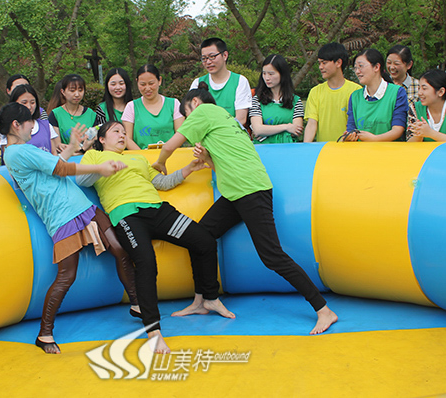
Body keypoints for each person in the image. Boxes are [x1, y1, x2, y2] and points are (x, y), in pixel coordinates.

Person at [153, 86, 337, 335]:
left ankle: (323, 309)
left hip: (251, 191)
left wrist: (160, 162)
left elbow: (170, 145)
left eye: (187, 114)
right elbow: (222, 167)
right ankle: (204, 300)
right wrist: (207, 158)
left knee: (272, 256)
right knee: (200, 237)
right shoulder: (227, 120)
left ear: (194, 102)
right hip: (236, 193)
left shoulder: (204, 111)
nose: (188, 121)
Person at [0, 103, 139, 354]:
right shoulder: (17, 152)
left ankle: (137, 303)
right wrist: (99, 168)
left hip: (82, 207)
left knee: (119, 248)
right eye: (30, 123)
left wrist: (71, 147)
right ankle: (44, 333)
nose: (33, 128)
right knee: (66, 276)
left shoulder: (21, 151)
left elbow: (54, 165)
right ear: (16, 125)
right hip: (62, 216)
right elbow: (60, 169)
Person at [78, 121, 234, 354]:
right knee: (146, 263)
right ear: (102, 139)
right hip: (127, 214)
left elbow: (161, 182)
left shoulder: (138, 159)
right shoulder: (94, 156)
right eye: (115, 131)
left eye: (124, 132)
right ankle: (153, 331)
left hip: (157, 210)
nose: (122, 135)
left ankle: (208, 299)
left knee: (204, 240)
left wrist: (189, 169)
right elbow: (82, 180)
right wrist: (102, 168)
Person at [344, 49, 408, 142]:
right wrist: (349, 136)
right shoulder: (355, 97)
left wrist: (375, 139)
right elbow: (351, 128)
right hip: (362, 150)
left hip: (390, 150)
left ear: (377, 67)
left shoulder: (397, 92)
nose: (357, 71)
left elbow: (398, 130)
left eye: (361, 66)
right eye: (355, 68)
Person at [303, 43, 361, 142]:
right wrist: (306, 146)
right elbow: (312, 124)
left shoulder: (356, 91)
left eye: (324, 63)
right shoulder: (315, 92)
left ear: (338, 63)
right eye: (319, 63)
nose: (320, 67)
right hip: (324, 149)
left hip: (349, 148)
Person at [189, 38, 251, 126]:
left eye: (212, 56)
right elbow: (192, 116)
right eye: (204, 58)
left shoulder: (240, 81)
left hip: (231, 133)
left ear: (225, 55)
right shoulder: (197, 83)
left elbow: (241, 119)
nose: (208, 62)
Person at [122, 65, 183, 149]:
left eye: (151, 83)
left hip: (171, 154)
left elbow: (180, 135)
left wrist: (165, 153)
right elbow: (127, 139)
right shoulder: (131, 107)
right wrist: (142, 155)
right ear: (137, 82)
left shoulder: (174, 104)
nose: (147, 88)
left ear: (159, 80)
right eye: (143, 84)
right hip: (141, 155)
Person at [250, 55, 303, 143]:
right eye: (264, 73)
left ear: (282, 74)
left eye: (271, 74)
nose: (267, 78)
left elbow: (296, 131)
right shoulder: (257, 100)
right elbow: (258, 130)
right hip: (263, 148)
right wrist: (286, 127)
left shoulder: (295, 101)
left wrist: (267, 131)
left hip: (288, 148)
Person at [0, 84, 61, 158]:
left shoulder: (46, 125)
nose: (29, 107)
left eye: (32, 102)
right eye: (24, 102)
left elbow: (53, 153)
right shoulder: (8, 128)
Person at [407, 70, 446, 142]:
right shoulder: (415, 108)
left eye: (424, 88)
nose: (419, 93)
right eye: (419, 88)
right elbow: (410, 143)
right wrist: (419, 133)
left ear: (441, 92)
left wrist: (430, 133)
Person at [48, 74, 96, 152]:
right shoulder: (55, 114)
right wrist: (79, 150)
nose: (77, 94)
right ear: (63, 92)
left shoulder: (91, 114)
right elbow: (58, 145)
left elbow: (94, 143)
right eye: (72, 90)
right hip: (66, 157)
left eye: (80, 90)